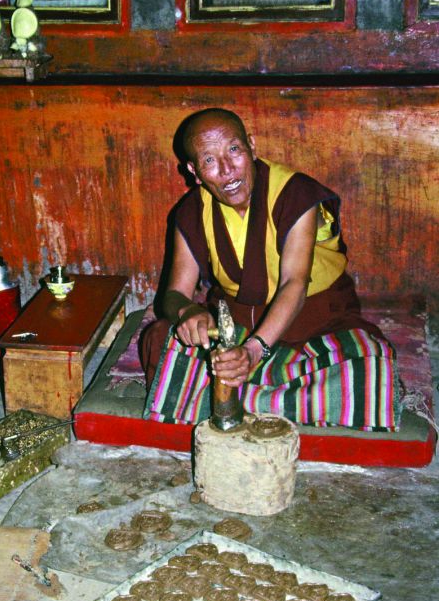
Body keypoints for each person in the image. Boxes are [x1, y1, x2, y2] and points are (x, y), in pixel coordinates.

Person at [141, 108, 400, 431]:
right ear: (194, 171)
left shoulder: (295, 193)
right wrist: (188, 312)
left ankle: (228, 398)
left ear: (251, 147)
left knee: (367, 361)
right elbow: (174, 294)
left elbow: (294, 283)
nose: (227, 170)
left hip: (315, 320)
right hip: (234, 324)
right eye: (209, 161)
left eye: (234, 151)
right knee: (161, 339)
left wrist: (253, 352)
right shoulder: (192, 210)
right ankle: (288, 400)